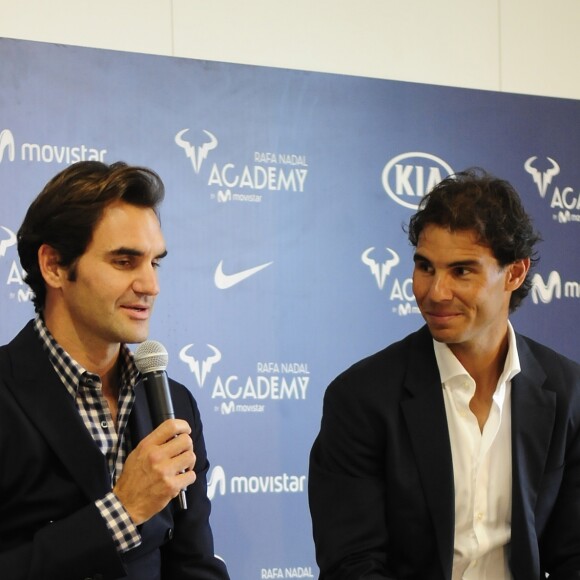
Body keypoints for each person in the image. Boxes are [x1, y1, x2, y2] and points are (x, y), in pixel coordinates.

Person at [308, 168, 580, 579]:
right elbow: (353, 565)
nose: (435, 292)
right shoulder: (361, 398)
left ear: (515, 273)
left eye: (461, 271)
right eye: (425, 267)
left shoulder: (569, 392)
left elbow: (573, 556)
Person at [0, 161, 230, 580]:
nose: (150, 285)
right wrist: (122, 511)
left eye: (155, 263)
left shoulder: (174, 402)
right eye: (125, 261)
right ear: (53, 266)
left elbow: (193, 563)